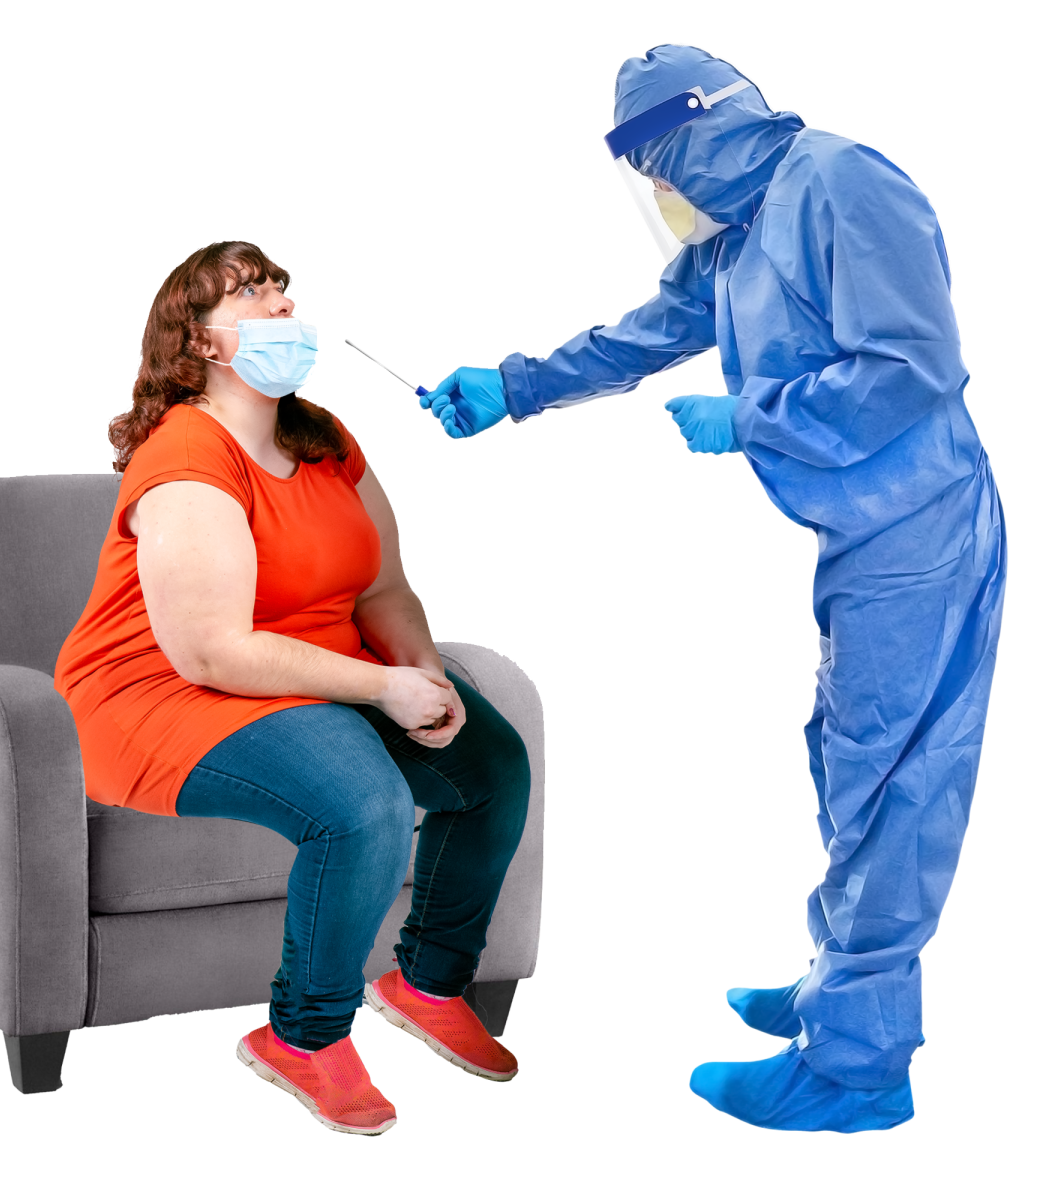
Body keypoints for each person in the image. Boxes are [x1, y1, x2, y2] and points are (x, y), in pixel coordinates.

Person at [421, 44, 1008, 1133]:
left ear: (698, 128)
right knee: (849, 754)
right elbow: (644, 338)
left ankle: (855, 1070)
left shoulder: (840, 182)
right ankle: (844, 984)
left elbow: (913, 369)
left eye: (655, 158)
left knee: (893, 776)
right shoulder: (733, 239)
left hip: (921, 524)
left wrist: (752, 420)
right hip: (862, 532)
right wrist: (510, 389)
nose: (657, 187)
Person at [53, 240, 531, 1136]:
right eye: (246, 294)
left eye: (280, 286)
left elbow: (385, 585)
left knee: (493, 762)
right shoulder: (185, 453)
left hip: (312, 673)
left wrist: (423, 670)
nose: (278, 303)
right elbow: (211, 651)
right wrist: (384, 689)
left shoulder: (325, 434)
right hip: (163, 694)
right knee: (362, 804)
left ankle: (427, 983)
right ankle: (303, 1038)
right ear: (197, 342)